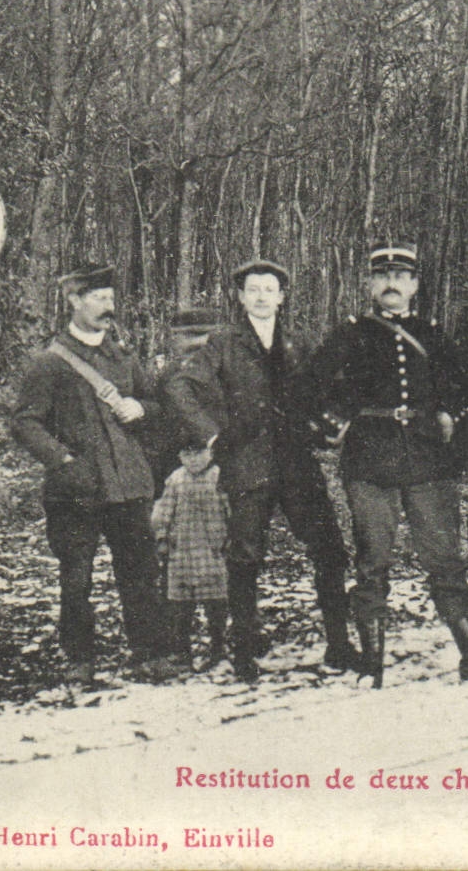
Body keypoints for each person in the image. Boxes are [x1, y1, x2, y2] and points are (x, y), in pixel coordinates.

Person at [298, 244, 468, 688]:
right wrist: (338, 416)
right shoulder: (350, 333)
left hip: (429, 460)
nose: (391, 283)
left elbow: (466, 381)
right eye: (383, 276)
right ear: (371, 285)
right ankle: (372, 664)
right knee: (373, 560)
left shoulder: (431, 334)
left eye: (401, 276)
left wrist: (450, 409)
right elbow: (311, 385)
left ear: (414, 285)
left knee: (446, 560)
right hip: (370, 461)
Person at [166, 259, 356, 683]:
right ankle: (245, 651)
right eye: (253, 289)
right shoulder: (224, 343)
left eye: (269, 289)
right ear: (240, 297)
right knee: (245, 556)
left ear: (282, 297)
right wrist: (213, 437)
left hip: (297, 465)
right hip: (249, 465)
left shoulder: (299, 344)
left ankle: (340, 642)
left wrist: (328, 425)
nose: (261, 296)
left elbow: (335, 389)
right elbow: (180, 388)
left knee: (328, 548)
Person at [10, 264, 175, 685]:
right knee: (76, 577)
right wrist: (62, 461)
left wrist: (141, 409)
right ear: (74, 302)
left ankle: (147, 653)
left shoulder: (123, 358)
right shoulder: (49, 363)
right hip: (76, 489)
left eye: (110, 299)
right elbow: (26, 423)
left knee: (139, 571)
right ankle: (79, 658)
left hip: (128, 485)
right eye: (98, 299)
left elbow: (157, 407)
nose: (108, 307)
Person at [150, 442, 229, 671]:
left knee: (216, 600)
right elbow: (164, 510)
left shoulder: (218, 476)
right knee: (181, 605)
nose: (193, 460)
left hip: (212, 548)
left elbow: (229, 508)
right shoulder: (175, 479)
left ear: (210, 454)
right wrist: (162, 536)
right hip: (182, 549)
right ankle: (182, 651)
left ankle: (218, 648)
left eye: (199, 454)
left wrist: (231, 535)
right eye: (187, 455)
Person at [143, 306, 223, 495]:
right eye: (186, 336)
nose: (194, 343)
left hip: (217, 459)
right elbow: (159, 417)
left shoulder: (228, 370)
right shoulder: (169, 374)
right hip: (176, 461)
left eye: (200, 335)